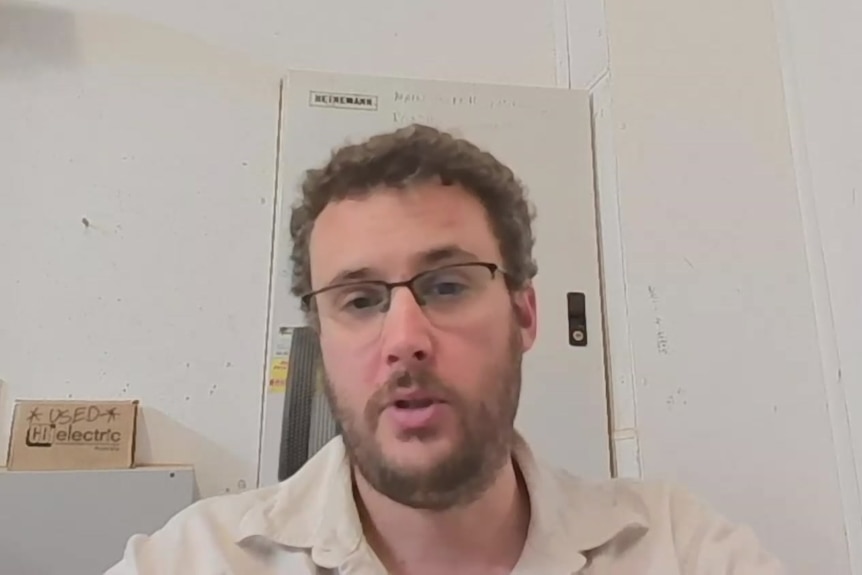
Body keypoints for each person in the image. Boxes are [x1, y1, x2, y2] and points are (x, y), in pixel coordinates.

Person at [106, 124, 784, 575]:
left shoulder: (681, 550)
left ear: (524, 314)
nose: (405, 341)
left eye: (448, 285)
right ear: (321, 336)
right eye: (360, 300)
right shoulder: (193, 562)